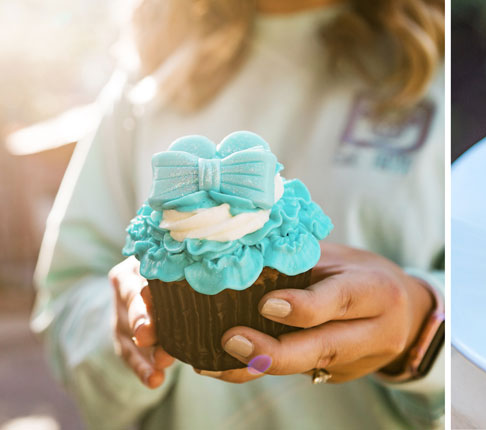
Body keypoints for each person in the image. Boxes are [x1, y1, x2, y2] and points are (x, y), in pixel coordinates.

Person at [31, 0, 445, 428]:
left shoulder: (436, 66)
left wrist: (424, 323)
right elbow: (65, 296)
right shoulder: (144, 78)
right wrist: (120, 329)